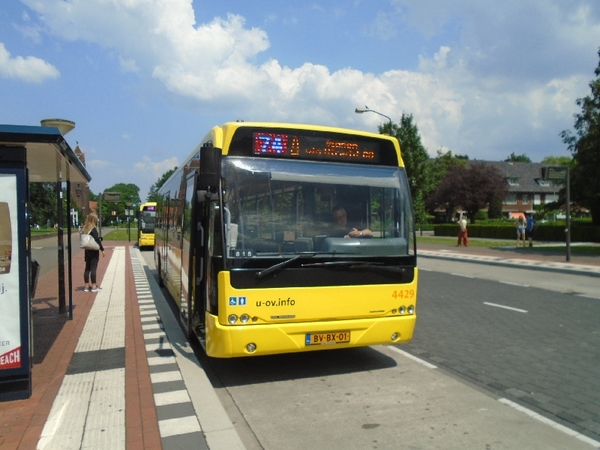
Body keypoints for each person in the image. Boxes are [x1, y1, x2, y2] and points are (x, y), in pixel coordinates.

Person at [82, 213, 105, 292]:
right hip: (94, 250)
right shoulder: (93, 229)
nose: (97, 221)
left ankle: (86, 286)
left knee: (87, 268)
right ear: (93, 220)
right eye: (96, 219)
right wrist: (102, 249)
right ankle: (94, 286)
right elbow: (97, 240)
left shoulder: (85, 228)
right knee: (93, 268)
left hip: (87, 250)